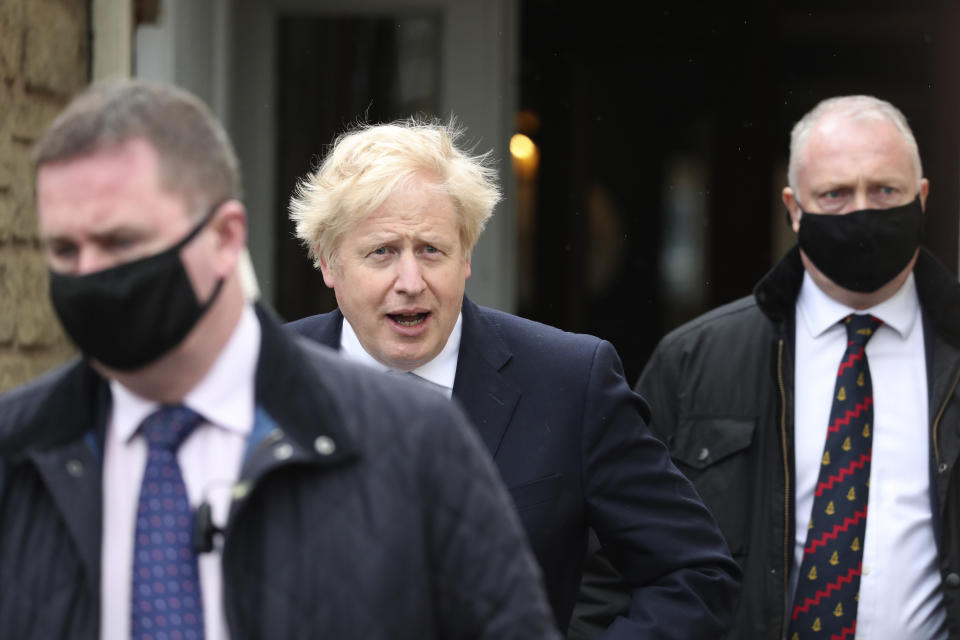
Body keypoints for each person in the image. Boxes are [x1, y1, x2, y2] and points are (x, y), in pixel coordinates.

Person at [0, 79, 562, 640]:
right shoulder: (19, 450)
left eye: (121, 242)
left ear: (224, 238)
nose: (92, 275)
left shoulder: (412, 440)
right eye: (65, 251)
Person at [285, 117, 741, 639]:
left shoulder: (570, 381)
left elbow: (696, 573)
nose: (410, 282)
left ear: (466, 257)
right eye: (382, 252)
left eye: (431, 250)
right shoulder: (263, 381)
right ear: (328, 263)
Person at [633, 95, 960, 638]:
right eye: (834, 194)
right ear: (793, 207)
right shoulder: (693, 361)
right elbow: (620, 554)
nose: (861, 212)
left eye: (885, 190)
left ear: (921, 198)